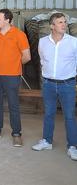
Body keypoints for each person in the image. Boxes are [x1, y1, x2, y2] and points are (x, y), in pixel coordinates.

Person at [0, 9, 31, 147]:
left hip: (12, 76)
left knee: (13, 105)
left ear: (8, 20)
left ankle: (16, 134)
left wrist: (13, 64)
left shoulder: (19, 35)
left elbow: (27, 56)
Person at [32, 12, 77, 160]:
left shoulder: (73, 42)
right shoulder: (43, 42)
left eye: (64, 22)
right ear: (52, 26)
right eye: (60, 22)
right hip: (48, 84)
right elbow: (43, 61)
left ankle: (72, 146)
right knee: (49, 113)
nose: (64, 24)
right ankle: (47, 141)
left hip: (67, 84)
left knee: (69, 116)